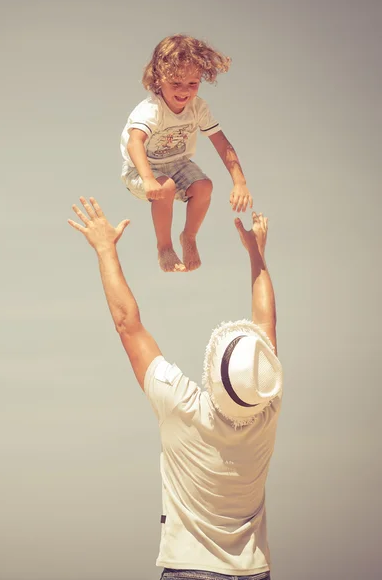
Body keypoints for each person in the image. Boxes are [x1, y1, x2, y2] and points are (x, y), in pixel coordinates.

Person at [68, 197, 282, 580]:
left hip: (190, 569)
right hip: (254, 570)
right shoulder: (266, 407)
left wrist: (105, 250)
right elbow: (266, 327)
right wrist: (257, 255)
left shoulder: (182, 406)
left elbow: (127, 325)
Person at [121, 35, 253, 273]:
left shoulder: (198, 108)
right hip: (141, 168)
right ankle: (164, 247)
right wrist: (149, 179)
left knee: (204, 187)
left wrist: (240, 182)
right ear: (158, 79)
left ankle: (189, 237)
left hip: (177, 163)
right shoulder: (151, 110)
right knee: (166, 187)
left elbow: (222, 144)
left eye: (192, 84)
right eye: (176, 83)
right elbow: (134, 144)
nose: (184, 92)